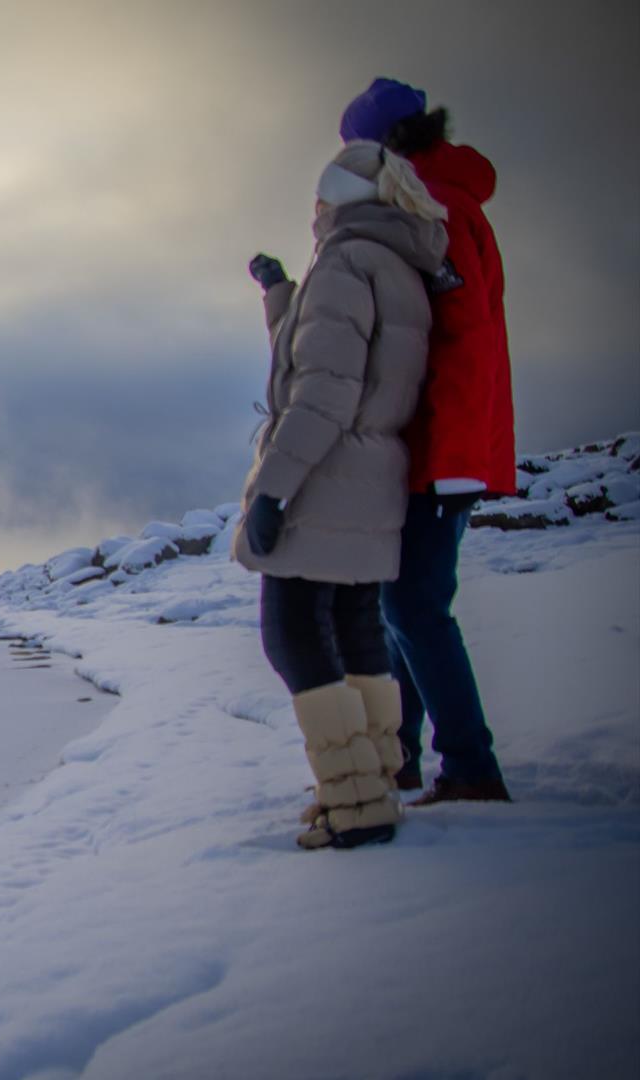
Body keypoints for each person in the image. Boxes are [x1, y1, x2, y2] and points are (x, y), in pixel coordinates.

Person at [236, 140, 450, 849]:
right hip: (374, 479)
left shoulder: (346, 264)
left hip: (327, 478)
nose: (313, 211)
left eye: (319, 198)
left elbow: (322, 391)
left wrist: (271, 492)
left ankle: (355, 807)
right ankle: (373, 783)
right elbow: (324, 349)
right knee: (358, 629)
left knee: (293, 634)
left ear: (336, 200)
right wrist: (279, 295)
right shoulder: (395, 263)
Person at [341, 78, 515, 804]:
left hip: (444, 449)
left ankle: (469, 766)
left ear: (387, 145)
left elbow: (462, 341)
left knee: (413, 607)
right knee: (401, 603)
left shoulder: (436, 208)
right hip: (435, 445)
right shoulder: (431, 198)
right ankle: (401, 756)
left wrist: (445, 459)